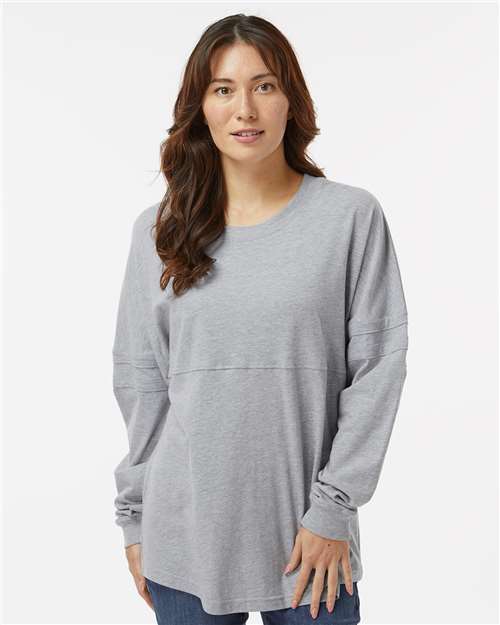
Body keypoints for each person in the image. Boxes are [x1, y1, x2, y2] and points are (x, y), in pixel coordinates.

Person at [111, 13, 408, 625]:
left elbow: (377, 373)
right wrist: (135, 519)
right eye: (223, 89)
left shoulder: (349, 219)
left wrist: (334, 511)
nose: (244, 109)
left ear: (290, 99)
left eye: (263, 86)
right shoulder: (160, 230)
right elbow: (142, 385)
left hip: (311, 544)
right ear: (200, 107)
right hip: (183, 539)